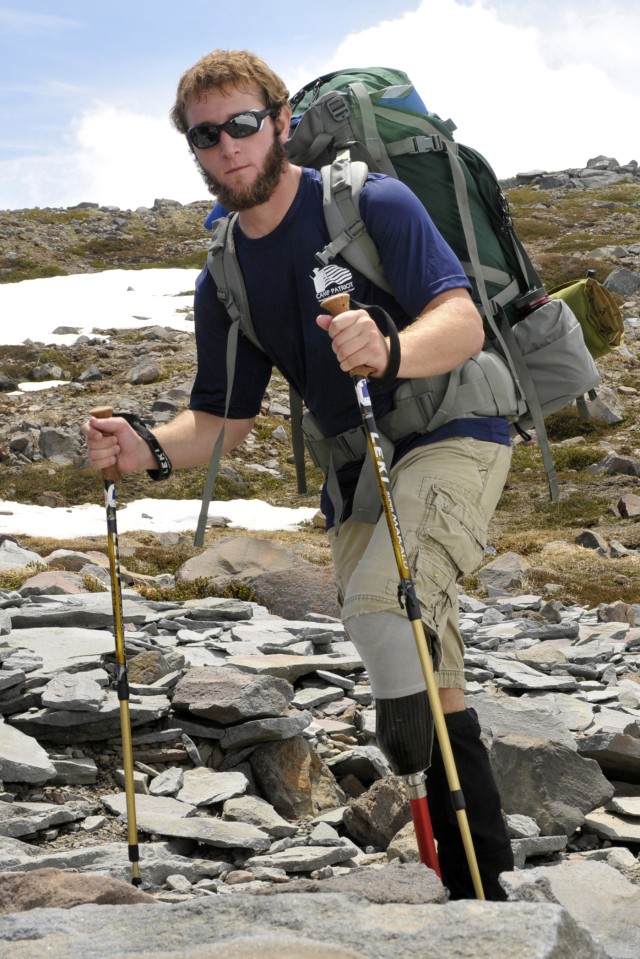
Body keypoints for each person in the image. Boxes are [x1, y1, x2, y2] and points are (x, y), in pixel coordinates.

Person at [82, 49, 514, 899]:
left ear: (280, 122)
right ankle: (478, 880)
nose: (229, 146)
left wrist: (390, 349)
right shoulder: (227, 276)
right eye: (207, 135)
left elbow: (460, 319)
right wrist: (150, 450)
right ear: (196, 151)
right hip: (362, 465)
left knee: (385, 608)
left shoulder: (367, 203)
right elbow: (220, 420)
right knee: (422, 662)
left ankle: (472, 890)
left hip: (454, 423)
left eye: (244, 124)